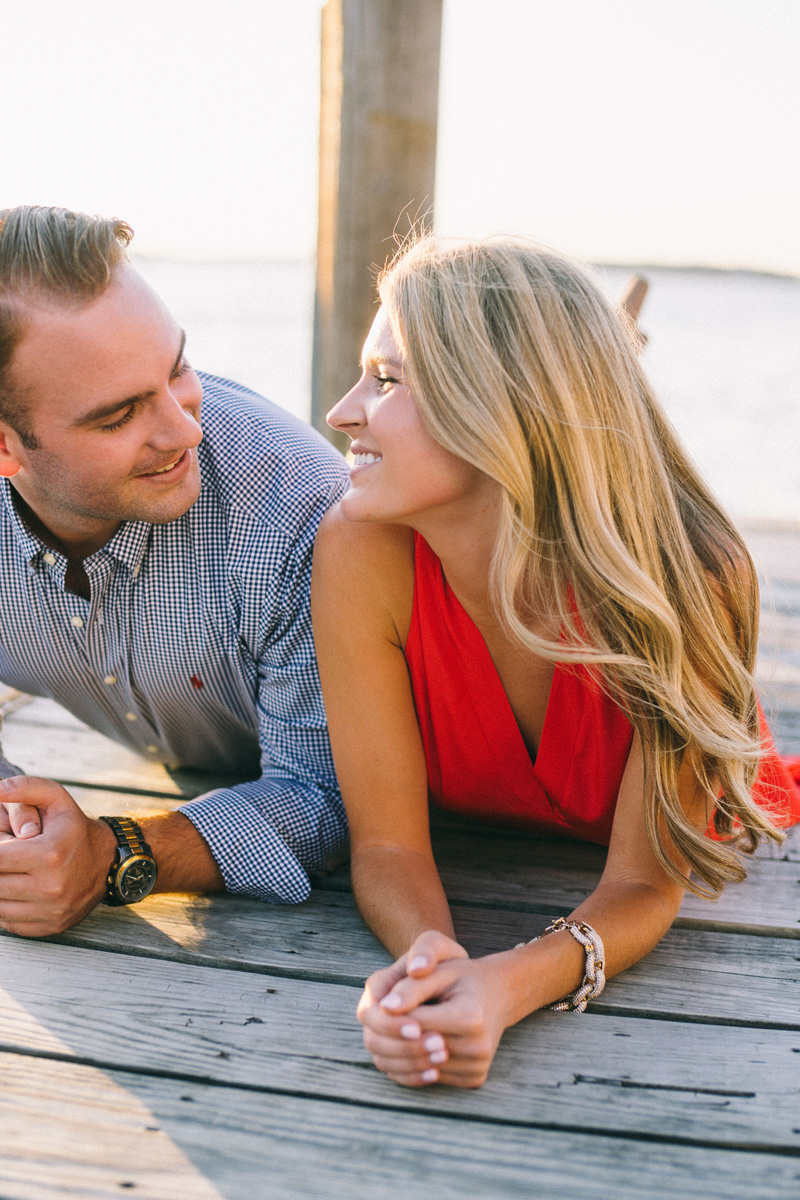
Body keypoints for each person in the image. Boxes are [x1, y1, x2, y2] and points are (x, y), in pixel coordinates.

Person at [312, 234, 800, 1090]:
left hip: (710, 804)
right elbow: (386, 844)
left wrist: (506, 986)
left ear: (499, 408)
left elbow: (646, 883)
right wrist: (432, 960)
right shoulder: (360, 551)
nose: (341, 411)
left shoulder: (693, 576)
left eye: (386, 380)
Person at [0, 205, 349, 938]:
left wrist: (114, 852)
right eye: (117, 416)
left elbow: (326, 796)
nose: (185, 428)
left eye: (177, 367)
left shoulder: (299, 513)